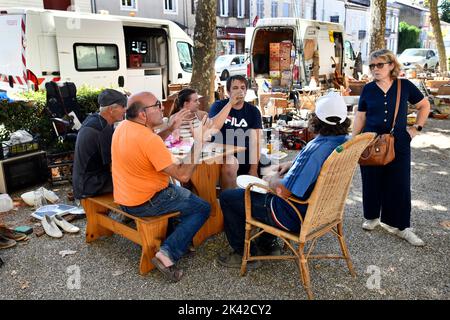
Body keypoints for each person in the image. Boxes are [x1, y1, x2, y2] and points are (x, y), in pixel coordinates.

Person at [217, 92, 351, 267]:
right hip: (321, 212)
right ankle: (267, 243)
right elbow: (313, 166)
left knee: (229, 197)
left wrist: (270, 180)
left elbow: (284, 191)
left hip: (292, 216)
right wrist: (293, 163)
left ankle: (244, 254)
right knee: (268, 189)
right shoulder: (343, 142)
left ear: (316, 119)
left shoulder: (315, 150)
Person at [111, 91, 212, 282]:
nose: (162, 108)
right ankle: (167, 253)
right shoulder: (148, 139)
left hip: (125, 198)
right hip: (146, 201)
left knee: (183, 194)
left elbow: (152, 141)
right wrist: (198, 142)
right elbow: (183, 175)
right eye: (157, 105)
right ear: (143, 114)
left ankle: (180, 238)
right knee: (203, 207)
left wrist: (170, 127)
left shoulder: (124, 127)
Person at [352, 49, 430, 246]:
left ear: (391, 65)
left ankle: (402, 226)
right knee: (371, 180)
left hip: (399, 141)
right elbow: (360, 117)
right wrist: (353, 141)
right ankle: (372, 217)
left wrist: (416, 128)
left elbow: (424, 105)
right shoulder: (368, 89)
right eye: (372, 66)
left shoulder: (404, 86)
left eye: (380, 65)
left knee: (400, 184)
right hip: (370, 141)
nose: (375, 69)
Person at [169, 88, 242, 189]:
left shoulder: (198, 116)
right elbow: (176, 140)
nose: (198, 103)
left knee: (231, 161)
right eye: (195, 101)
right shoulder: (175, 119)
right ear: (186, 104)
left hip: (203, 153)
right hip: (189, 157)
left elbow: (207, 135)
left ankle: (227, 197)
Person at [209, 75, 262, 189]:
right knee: (230, 163)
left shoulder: (253, 111)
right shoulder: (219, 106)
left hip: (245, 157)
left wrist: (253, 169)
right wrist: (230, 104)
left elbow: (256, 142)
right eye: (235, 88)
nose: (240, 91)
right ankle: (228, 203)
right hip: (221, 155)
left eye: (243, 88)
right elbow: (213, 129)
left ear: (246, 91)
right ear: (228, 91)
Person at [72, 89, 127, 199]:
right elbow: (113, 165)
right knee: (137, 179)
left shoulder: (94, 119)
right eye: (123, 106)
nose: (125, 110)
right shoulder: (102, 130)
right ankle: (127, 212)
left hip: (82, 181)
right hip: (90, 185)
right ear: (111, 109)